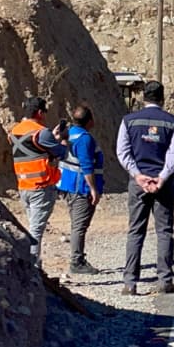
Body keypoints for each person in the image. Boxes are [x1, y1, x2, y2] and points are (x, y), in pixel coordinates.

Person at [116, 80, 174, 296]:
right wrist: (161, 177)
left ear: (143, 97)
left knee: (135, 231)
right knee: (164, 231)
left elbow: (122, 152)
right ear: (162, 98)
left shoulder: (128, 121)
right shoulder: (173, 122)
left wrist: (138, 175)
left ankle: (130, 283)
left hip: (138, 184)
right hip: (164, 184)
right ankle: (165, 281)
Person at [9, 96, 67, 264]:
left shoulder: (14, 131)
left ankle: (31, 264)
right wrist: (62, 139)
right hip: (41, 188)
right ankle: (33, 266)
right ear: (40, 112)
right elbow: (61, 153)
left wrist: (52, 138)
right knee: (36, 231)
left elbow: (33, 149)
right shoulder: (41, 132)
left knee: (33, 227)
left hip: (23, 187)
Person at [57, 104, 104, 276]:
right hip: (80, 187)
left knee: (77, 224)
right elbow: (86, 166)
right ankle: (76, 261)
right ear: (89, 121)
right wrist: (93, 189)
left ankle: (78, 259)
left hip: (68, 185)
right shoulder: (84, 139)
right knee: (79, 226)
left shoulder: (69, 133)